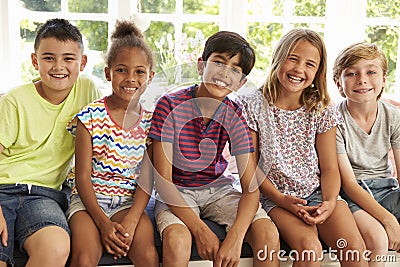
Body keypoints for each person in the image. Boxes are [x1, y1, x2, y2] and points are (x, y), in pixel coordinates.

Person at [149, 31, 280, 267]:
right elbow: (163, 182)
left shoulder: (235, 112)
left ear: (241, 83)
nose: (224, 73)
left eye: (235, 69)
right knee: (178, 240)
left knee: (268, 234)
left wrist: (236, 238)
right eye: (218, 62)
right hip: (177, 191)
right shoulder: (169, 105)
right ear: (201, 66)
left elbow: (251, 187)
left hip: (218, 189)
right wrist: (201, 231)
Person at [240, 28, 368, 267]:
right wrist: (281, 199)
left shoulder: (320, 107)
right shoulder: (252, 105)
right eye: (293, 58)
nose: (299, 69)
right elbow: (252, 168)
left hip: (318, 193)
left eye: (310, 64)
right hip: (276, 197)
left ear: (318, 71)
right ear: (279, 58)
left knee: (355, 250)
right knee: (310, 251)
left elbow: (330, 168)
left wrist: (330, 202)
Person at [0, 18, 102, 267]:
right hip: (1, 189)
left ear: (83, 62)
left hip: (44, 196)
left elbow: (106, 139)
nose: (59, 66)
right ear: (35, 61)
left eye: (68, 58)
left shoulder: (88, 90)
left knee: (56, 247)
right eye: (48, 58)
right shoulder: (14, 101)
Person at [66, 20, 158, 267]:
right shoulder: (90, 116)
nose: (130, 78)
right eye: (121, 70)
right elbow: (82, 178)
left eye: (139, 72)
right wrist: (103, 223)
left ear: (150, 76)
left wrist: (132, 219)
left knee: (148, 256)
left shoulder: (151, 122)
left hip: (128, 203)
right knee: (85, 258)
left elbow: (147, 177)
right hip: (89, 202)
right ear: (108, 73)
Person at [333, 42, 400, 266]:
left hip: (388, 190)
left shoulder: (394, 116)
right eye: (351, 74)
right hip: (352, 194)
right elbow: (349, 184)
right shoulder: (333, 121)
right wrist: (388, 219)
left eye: (371, 71)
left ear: (383, 80)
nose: (362, 79)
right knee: (377, 239)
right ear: (338, 84)